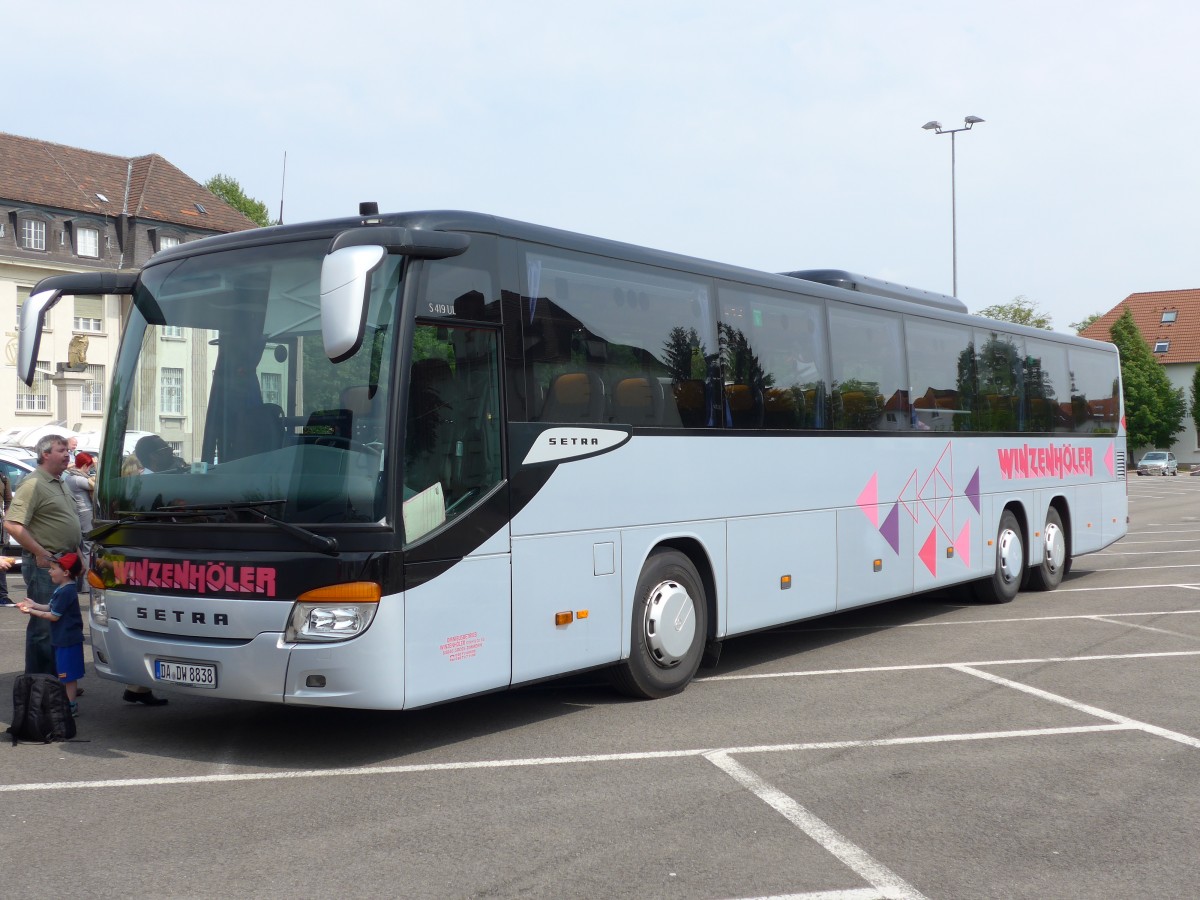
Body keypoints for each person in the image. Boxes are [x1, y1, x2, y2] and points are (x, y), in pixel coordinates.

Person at [5, 434, 80, 675]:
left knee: (59, 625)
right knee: (43, 627)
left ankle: (58, 682)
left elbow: (67, 523)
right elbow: (12, 524)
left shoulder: (60, 482)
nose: (67, 454)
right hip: (47, 565)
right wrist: (42, 553)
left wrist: (79, 554)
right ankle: (40, 686)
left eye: (68, 450)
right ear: (45, 454)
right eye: (61, 450)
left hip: (65, 562)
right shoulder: (33, 483)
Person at [16, 552, 84, 716]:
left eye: (53, 569)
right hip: (62, 639)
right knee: (64, 673)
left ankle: (70, 705)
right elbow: (50, 607)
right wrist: (34, 604)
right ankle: (66, 702)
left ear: (66, 572)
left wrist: (31, 611)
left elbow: (54, 616)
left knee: (68, 676)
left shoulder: (66, 591)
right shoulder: (62, 588)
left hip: (68, 640)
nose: (49, 571)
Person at [0, 468, 12, 606]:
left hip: (0, 526)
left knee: (1, 561)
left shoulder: (3, 477)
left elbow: (9, 501)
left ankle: (2, 595)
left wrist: (6, 521)